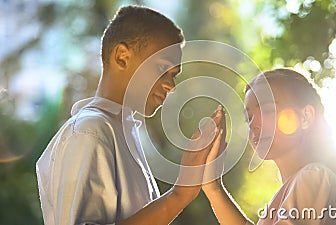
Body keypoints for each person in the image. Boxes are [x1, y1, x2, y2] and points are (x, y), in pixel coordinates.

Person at [36, 5, 224, 225]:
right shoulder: (90, 132)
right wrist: (180, 194)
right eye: (162, 68)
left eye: (174, 75)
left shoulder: (123, 132)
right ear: (122, 57)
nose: (171, 86)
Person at [203, 68, 336, 225]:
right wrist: (213, 187)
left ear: (305, 117)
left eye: (268, 110)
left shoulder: (313, 175)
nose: (254, 124)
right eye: (249, 117)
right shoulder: (296, 186)